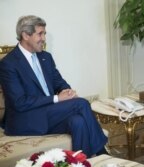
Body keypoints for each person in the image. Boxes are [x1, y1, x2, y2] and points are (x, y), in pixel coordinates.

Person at [0, 15, 108, 158]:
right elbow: (20, 103)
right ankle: (102, 152)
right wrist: (57, 98)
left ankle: (83, 162)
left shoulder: (45, 57)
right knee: (81, 104)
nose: (44, 38)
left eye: (44, 33)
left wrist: (67, 91)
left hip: (49, 115)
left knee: (78, 122)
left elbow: (59, 82)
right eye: (40, 34)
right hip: (25, 119)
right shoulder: (9, 63)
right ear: (25, 35)